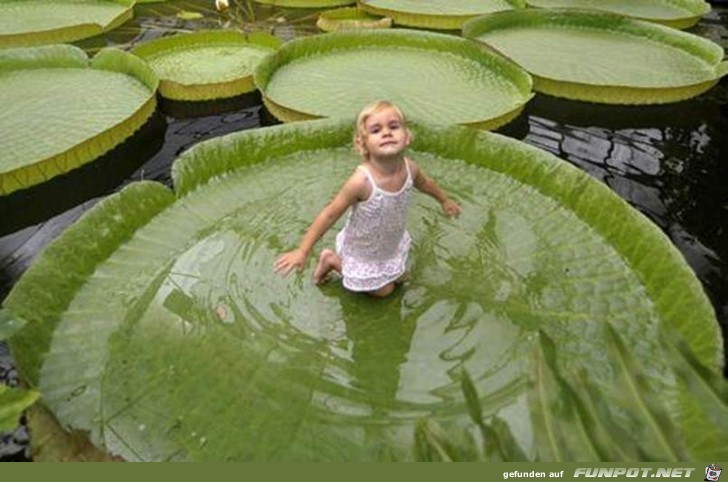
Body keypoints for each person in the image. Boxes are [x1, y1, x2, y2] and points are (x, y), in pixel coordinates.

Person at [274, 100, 461, 297]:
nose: (387, 133)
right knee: (384, 292)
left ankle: (384, 271)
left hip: (389, 241)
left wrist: (444, 200)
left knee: (401, 277)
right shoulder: (361, 182)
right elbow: (330, 214)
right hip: (363, 248)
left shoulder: (410, 168)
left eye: (394, 126)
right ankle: (331, 260)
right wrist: (302, 251)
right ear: (362, 144)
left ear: (407, 137)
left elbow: (426, 184)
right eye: (376, 130)